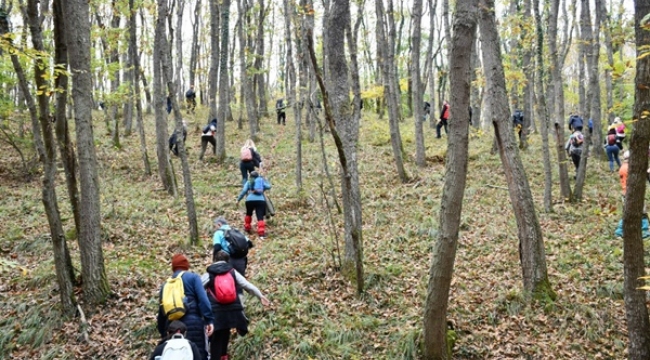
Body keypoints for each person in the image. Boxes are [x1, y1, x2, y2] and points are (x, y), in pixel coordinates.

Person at [203, 251, 271, 360]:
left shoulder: (209, 274)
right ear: (227, 260)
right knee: (226, 332)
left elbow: (198, 289)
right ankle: (224, 356)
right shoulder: (232, 272)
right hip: (231, 310)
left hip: (215, 311)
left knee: (216, 338)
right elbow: (247, 285)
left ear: (214, 260)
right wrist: (260, 296)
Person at [156, 254, 215, 360]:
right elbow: (203, 300)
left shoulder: (166, 285)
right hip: (193, 325)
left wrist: (163, 332)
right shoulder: (193, 278)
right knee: (197, 355)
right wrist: (209, 320)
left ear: (173, 268)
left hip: (171, 327)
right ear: (186, 266)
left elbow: (162, 312)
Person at [237, 171, 271, 237]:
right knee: (260, 216)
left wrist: (238, 199)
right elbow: (269, 186)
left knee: (248, 213)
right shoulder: (260, 181)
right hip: (260, 200)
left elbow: (244, 191)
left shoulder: (249, 182)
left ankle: (247, 227)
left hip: (249, 200)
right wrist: (265, 180)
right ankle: (261, 233)